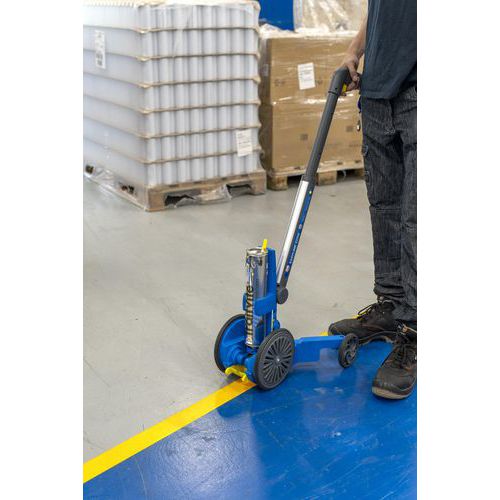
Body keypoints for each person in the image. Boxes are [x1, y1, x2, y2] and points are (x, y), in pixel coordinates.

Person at [329, 0, 417, 400]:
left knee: (418, 216)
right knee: (384, 208)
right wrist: (354, 51)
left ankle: (415, 328)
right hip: (377, 88)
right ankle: (391, 304)